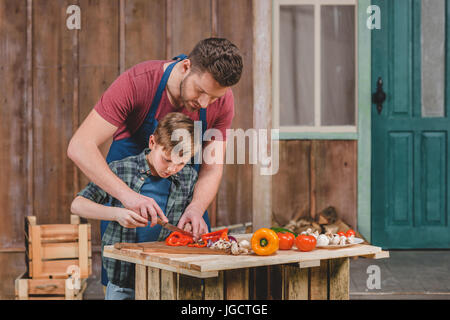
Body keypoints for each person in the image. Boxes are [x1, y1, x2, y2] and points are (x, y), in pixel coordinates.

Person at [67, 37, 243, 287]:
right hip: (127, 206)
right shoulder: (138, 82)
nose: (204, 104)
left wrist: (195, 208)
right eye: (201, 91)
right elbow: (79, 146)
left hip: (179, 214)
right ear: (185, 67)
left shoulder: (223, 101)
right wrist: (126, 196)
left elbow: (212, 166)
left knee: (188, 286)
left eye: (214, 98)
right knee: (125, 285)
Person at [71, 112, 199, 299]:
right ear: (152, 143)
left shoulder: (188, 177)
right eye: (167, 159)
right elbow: (77, 205)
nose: (172, 169)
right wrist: (116, 214)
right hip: (122, 282)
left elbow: (187, 216)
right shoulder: (121, 169)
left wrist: (187, 226)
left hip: (166, 278)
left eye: (180, 163)